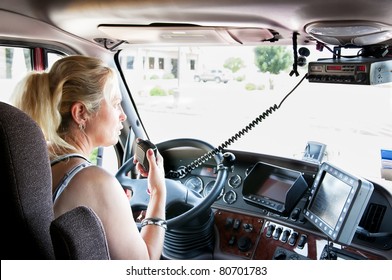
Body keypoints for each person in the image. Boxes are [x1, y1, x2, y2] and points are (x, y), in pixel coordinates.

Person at [12, 55, 167, 260]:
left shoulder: (34, 158)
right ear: (81, 113)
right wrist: (158, 192)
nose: (122, 115)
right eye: (115, 104)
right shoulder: (94, 181)